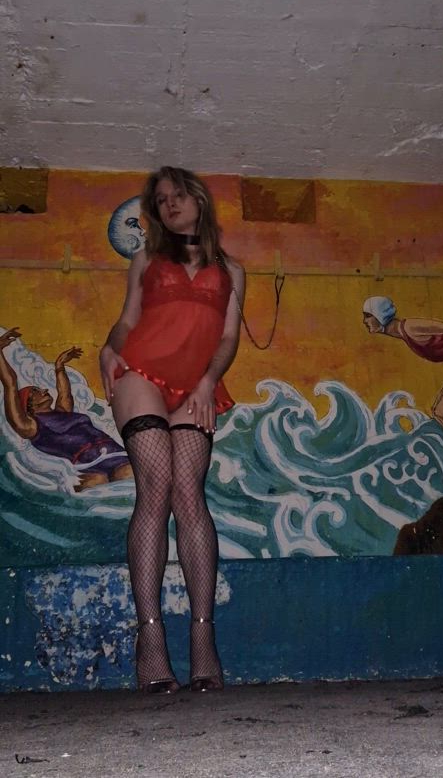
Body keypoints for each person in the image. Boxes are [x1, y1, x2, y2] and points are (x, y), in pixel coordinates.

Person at [99, 166, 245, 694]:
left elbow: (228, 338)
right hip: (141, 373)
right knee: (155, 489)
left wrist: (208, 381)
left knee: (190, 494)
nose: (169, 204)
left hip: (197, 386)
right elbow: (127, 319)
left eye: (178, 196)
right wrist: (108, 347)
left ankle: (203, 637)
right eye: (161, 200)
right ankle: (152, 638)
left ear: (199, 201)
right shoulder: (145, 259)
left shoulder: (232, 269)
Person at [362, 296, 443, 500]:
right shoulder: (404, 334)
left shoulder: (411, 327)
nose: (364, 321)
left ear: (380, 316)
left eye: (367, 315)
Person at [0, 328, 132, 489]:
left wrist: (59, 366)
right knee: (105, 485)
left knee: (131, 478)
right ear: (28, 404)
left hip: (115, 454)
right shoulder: (30, 426)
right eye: (36, 391)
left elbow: (64, 393)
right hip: (89, 467)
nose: (44, 390)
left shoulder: (63, 412)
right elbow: (10, 384)